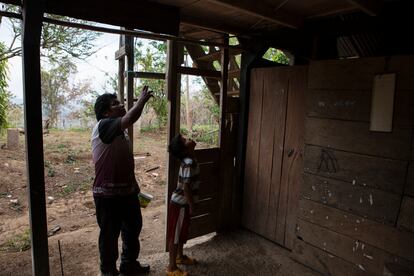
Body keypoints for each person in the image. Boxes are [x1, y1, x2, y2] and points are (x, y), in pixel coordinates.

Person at [91, 86, 153, 276]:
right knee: (109, 236)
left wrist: (134, 185)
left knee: (132, 229)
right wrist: (141, 100)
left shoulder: (120, 130)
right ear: (106, 112)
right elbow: (130, 118)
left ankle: (128, 264)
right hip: (107, 196)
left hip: (127, 193)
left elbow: (124, 160)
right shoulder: (104, 125)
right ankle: (108, 272)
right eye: (115, 104)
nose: (121, 105)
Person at [166, 134, 200, 276]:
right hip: (180, 205)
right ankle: (172, 268)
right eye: (184, 140)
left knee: (181, 232)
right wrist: (192, 205)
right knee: (175, 236)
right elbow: (186, 188)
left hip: (183, 205)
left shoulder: (190, 159)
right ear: (184, 150)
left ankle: (179, 257)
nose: (188, 138)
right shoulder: (188, 162)